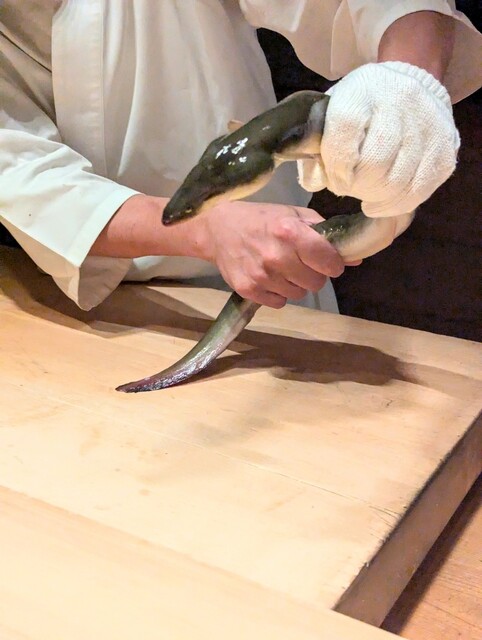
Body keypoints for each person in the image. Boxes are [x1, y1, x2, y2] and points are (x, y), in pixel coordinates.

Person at [0, 1, 481, 313]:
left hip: (288, 274)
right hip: (113, 312)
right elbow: (29, 181)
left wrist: (408, 82)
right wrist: (210, 231)